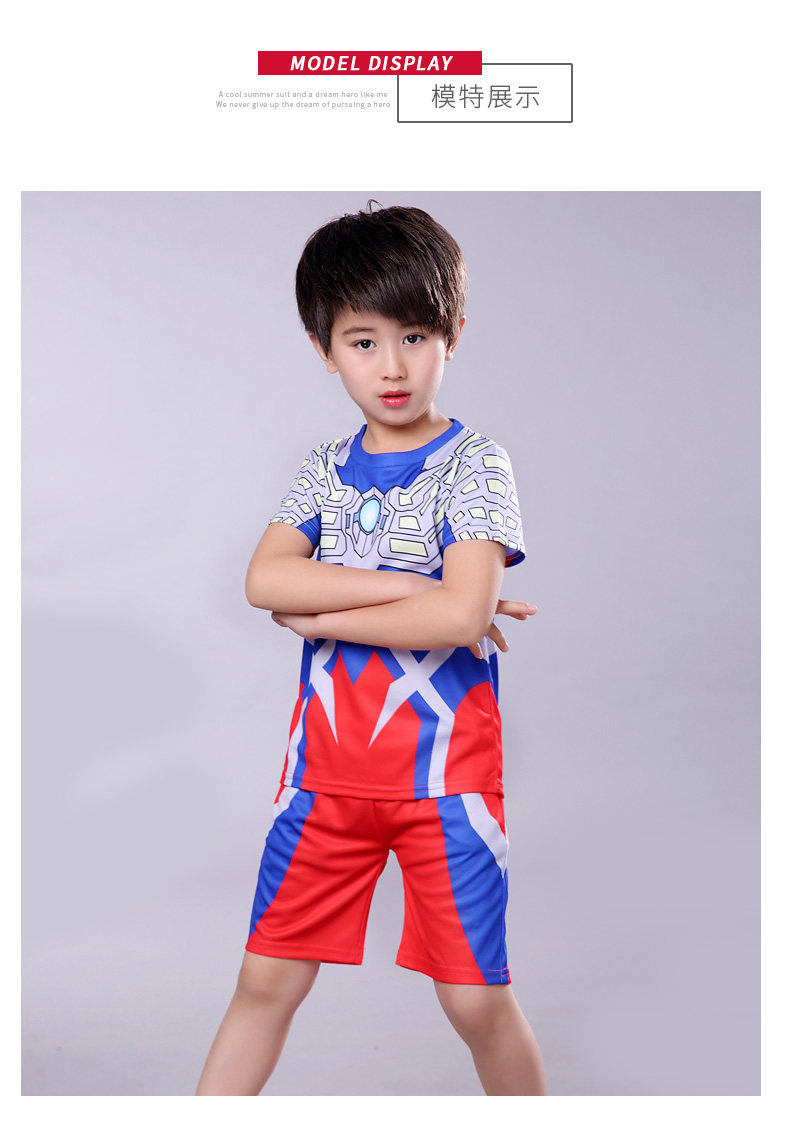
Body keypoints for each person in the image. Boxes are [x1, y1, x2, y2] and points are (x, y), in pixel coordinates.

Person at [196, 203, 547, 1096]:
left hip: (447, 785)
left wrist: (321, 614)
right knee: (265, 983)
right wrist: (420, 590)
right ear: (325, 349)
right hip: (323, 779)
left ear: (454, 333)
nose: (391, 366)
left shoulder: (475, 463)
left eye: (415, 336)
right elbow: (265, 581)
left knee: (475, 1002)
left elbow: (460, 623)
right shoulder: (323, 468)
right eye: (363, 342)